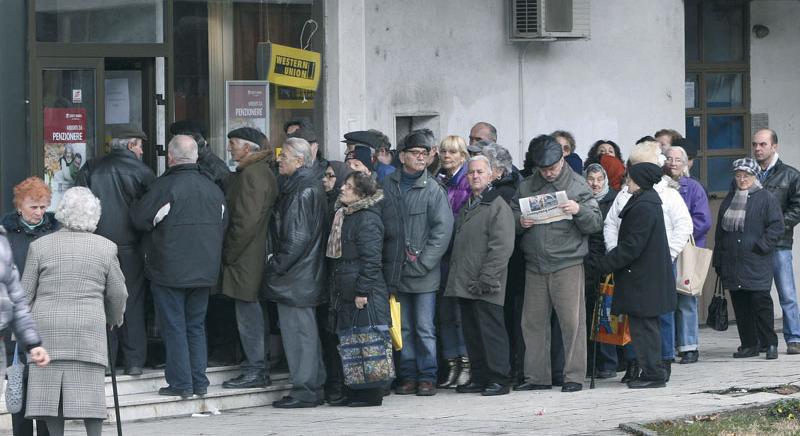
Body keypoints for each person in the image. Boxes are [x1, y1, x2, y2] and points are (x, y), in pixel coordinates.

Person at [21, 187, 126, 436]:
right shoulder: (106, 247)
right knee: (91, 395)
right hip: (87, 329)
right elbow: (118, 293)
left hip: (46, 330)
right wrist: (114, 318)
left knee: (49, 396)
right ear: (94, 215)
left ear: (62, 212)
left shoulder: (40, 246)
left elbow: (24, 294)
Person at [130, 134, 227, 399]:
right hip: (204, 270)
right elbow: (223, 224)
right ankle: (199, 382)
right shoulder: (213, 188)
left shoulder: (165, 187)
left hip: (169, 268)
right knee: (195, 325)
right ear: (195, 156)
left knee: (174, 326)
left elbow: (140, 220)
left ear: (170, 157)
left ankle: (181, 383)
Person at [511, 135, 603, 393]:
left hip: (567, 263)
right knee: (532, 323)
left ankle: (574, 376)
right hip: (535, 263)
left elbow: (596, 223)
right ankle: (536, 376)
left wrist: (578, 210)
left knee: (572, 323)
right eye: (543, 169)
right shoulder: (527, 186)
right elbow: (511, 213)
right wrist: (519, 222)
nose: (548, 173)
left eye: (552, 168)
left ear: (562, 160)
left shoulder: (578, 185)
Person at [605, 141, 691, 382]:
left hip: (651, 266)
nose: (628, 179)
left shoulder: (662, 197)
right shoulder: (629, 196)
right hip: (632, 266)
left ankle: (659, 365)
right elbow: (612, 224)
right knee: (638, 321)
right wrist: (614, 252)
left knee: (655, 320)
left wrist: (667, 254)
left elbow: (683, 226)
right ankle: (642, 364)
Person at [586, 163, 676, 389]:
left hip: (643, 279)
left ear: (641, 181)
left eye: (631, 178)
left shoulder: (645, 206)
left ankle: (653, 373)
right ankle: (651, 371)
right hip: (643, 277)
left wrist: (605, 264)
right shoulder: (645, 201)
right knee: (643, 326)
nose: (627, 181)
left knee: (645, 328)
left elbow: (632, 246)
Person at [76, 126, 156, 377]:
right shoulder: (143, 172)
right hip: (131, 249)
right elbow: (150, 214)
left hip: (96, 246)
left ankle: (106, 361)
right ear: (131, 145)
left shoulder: (91, 168)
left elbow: (79, 206)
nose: (141, 151)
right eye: (140, 146)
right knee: (132, 302)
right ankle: (134, 361)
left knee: (100, 302)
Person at [383, 129, 454, 396]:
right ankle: (408, 375)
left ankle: (427, 376)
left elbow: (442, 231)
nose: (421, 157)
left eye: (424, 153)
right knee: (403, 328)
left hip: (423, 272)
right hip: (396, 270)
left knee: (424, 327)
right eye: (415, 153)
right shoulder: (387, 185)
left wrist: (423, 263)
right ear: (402, 157)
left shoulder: (433, 189)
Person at [264, 138, 327, 408]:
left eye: (285, 156)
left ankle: (306, 390)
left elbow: (296, 238)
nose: (279, 160)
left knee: (300, 335)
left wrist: (275, 265)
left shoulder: (301, 190)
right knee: (305, 334)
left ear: (300, 161)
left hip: (296, 277)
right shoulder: (305, 186)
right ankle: (311, 386)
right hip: (303, 274)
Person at [445, 156, 515, 396]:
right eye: (471, 172)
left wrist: (487, 278)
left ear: (491, 175)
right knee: (472, 333)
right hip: (466, 281)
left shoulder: (497, 205)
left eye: (480, 172)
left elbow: (501, 247)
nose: (475, 176)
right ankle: (480, 376)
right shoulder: (470, 204)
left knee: (491, 332)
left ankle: (499, 379)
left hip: (486, 283)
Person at [220, 127, 278, 389]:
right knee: (252, 313)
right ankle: (257, 367)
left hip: (246, 257)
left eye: (233, 143)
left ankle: (255, 369)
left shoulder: (252, 174)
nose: (229, 147)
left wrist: (229, 252)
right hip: (250, 255)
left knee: (249, 315)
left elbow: (246, 221)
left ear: (247, 148)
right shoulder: (258, 171)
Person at [327, 172, 390, 407]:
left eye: (349, 186)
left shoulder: (367, 219)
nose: (342, 188)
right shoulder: (345, 215)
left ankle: (370, 394)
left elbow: (372, 260)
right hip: (345, 287)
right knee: (351, 342)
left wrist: (362, 291)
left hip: (364, 292)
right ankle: (354, 391)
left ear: (361, 193)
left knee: (368, 341)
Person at [713, 158, 784, 360]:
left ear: (755, 177)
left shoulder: (766, 198)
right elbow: (720, 233)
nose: (742, 179)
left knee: (761, 304)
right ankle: (749, 345)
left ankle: (770, 344)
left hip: (756, 261)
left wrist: (761, 246)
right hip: (733, 261)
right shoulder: (729, 199)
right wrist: (718, 260)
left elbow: (777, 226)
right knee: (741, 305)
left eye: (747, 176)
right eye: (738, 175)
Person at [1, 179, 54, 436]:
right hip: (16, 315)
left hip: (46, 312)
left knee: (44, 384)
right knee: (18, 379)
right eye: (34, 207)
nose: (39, 212)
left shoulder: (54, 230)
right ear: (19, 206)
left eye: (43, 207)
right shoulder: (6, 233)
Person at [752, 128, 800, 354]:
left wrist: (776, 226)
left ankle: (794, 338)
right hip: (754, 244)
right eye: (755, 144)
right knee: (757, 294)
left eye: (763, 144)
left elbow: (797, 208)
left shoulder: (790, 174)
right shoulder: (749, 173)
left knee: (787, 293)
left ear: (774, 146)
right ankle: (762, 339)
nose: (757, 149)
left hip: (779, 243)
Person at [481, 144, 526, 384]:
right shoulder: (497, 191)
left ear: (497, 171)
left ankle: (512, 370)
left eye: (484, 167)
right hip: (507, 267)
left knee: (509, 320)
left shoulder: (504, 194)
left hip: (508, 267)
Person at [664, 146, 711, 364]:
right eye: (669, 158)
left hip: (686, 251)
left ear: (685, 163)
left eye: (677, 159)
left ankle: (689, 346)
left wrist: (679, 235)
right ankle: (670, 345)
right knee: (666, 300)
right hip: (664, 250)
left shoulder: (693, 188)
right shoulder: (660, 186)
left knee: (686, 298)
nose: (673, 163)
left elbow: (703, 221)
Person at [436, 135, 471, 388]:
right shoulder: (439, 180)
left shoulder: (467, 181)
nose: (447, 156)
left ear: (463, 155)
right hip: (442, 255)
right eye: (444, 151)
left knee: (459, 314)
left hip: (459, 254)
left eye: (453, 152)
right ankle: (452, 364)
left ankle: (466, 363)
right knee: (445, 314)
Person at [583, 163, 619, 379]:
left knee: (605, 314)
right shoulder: (581, 200)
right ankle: (589, 363)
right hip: (585, 263)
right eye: (591, 179)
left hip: (605, 263)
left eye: (599, 179)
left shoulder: (613, 200)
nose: (595, 184)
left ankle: (608, 363)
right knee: (587, 314)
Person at [170, 120, 230, 189]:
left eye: (180, 140)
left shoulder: (215, 167)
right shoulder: (182, 160)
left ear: (197, 140)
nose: (175, 143)